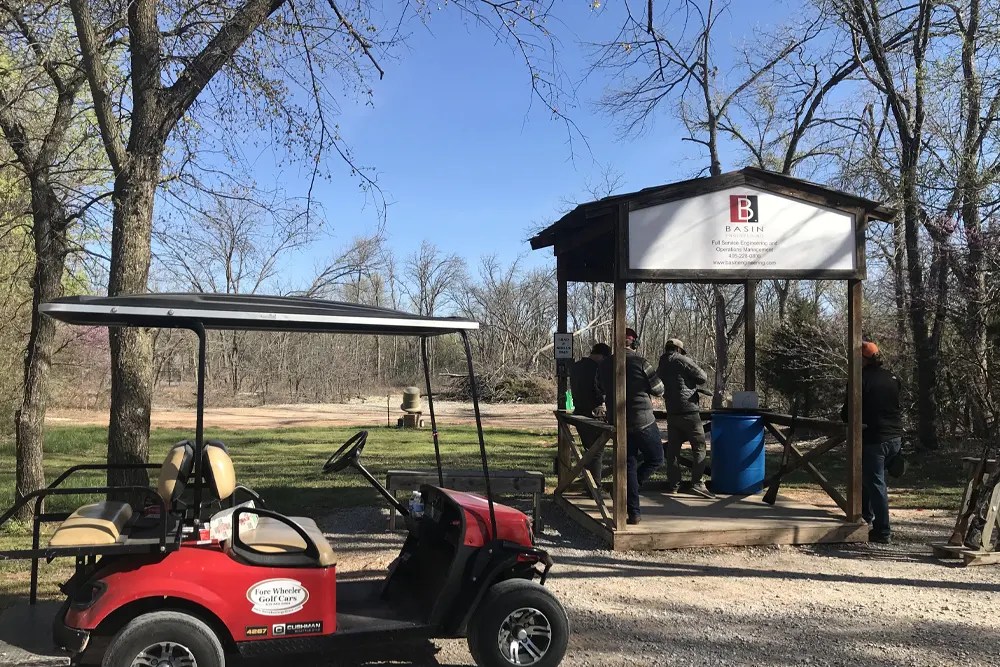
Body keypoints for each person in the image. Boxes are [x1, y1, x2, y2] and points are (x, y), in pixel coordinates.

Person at [598, 328, 665, 525]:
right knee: (656, 458)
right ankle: (629, 490)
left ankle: (634, 511)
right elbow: (659, 389)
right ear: (633, 343)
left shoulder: (603, 365)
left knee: (628, 466)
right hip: (642, 421)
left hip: (618, 422)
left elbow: (599, 387)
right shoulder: (641, 362)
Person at [840, 341, 903, 544]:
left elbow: (848, 413)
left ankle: (883, 530)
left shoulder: (859, 379)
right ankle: (865, 516)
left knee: (875, 483)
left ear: (863, 359)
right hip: (895, 437)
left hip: (874, 438)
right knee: (870, 478)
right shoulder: (892, 378)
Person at [657, 338, 712, 498]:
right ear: (678, 349)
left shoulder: (662, 363)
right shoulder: (681, 360)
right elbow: (702, 377)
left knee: (673, 451)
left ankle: (674, 484)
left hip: (672, 411)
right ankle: (697, 483)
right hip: (689, 411)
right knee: (699, 448)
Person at [569, 343, 612, 489]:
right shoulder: (597, 368)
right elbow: (599, 390)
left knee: (589, 451)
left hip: (579, 412)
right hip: (594, 413)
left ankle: (589, 484)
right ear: (602, 356)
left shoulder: (576, 367)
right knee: (596, 451)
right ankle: (595, 488)